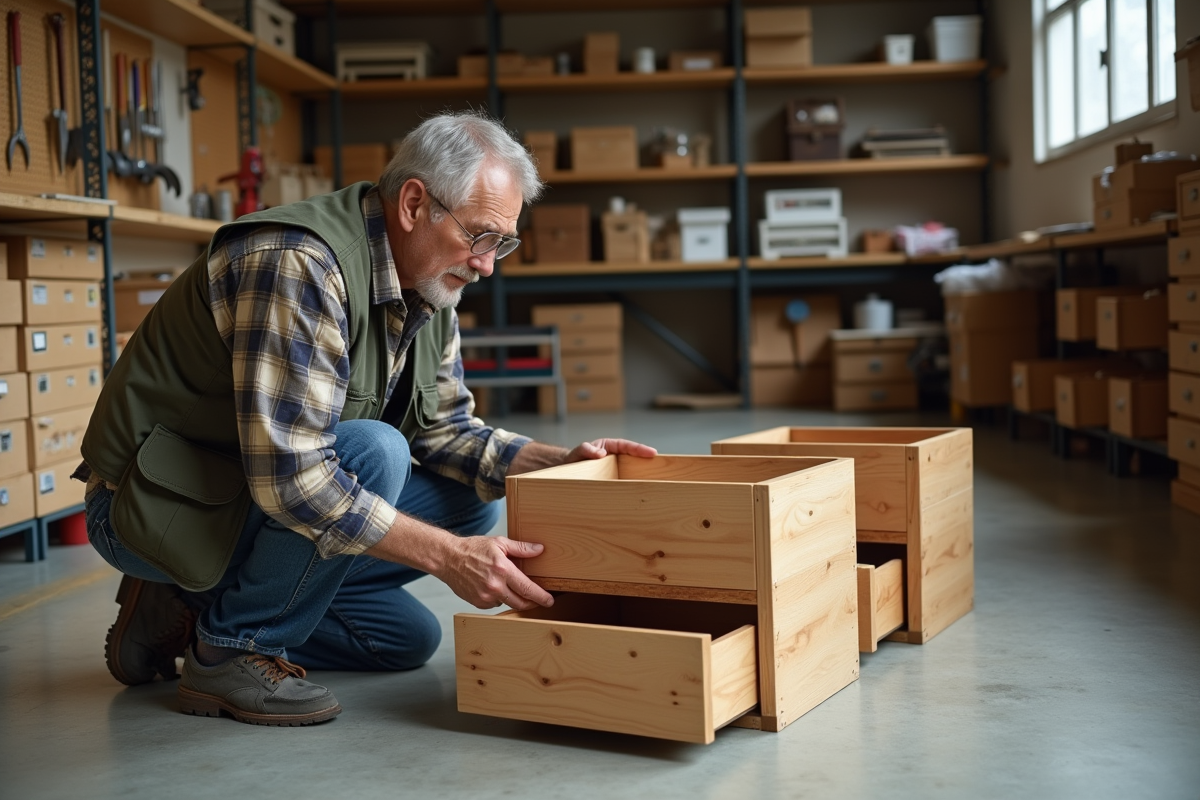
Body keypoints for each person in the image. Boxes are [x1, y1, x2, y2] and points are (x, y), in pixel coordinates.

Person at [76, 111, 656, 727]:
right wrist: (448, 558)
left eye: (501, 243)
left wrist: (556, 463)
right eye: (481, 236)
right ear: (413, 204)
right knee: (376, 452)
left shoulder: (433, 283)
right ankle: (230, 653)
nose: (488, 263)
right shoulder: (298, 263)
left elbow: (446, 432)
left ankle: (196, 603)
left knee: (413, 620)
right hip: (155, 504)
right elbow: (296, 480)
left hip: (244, 499)